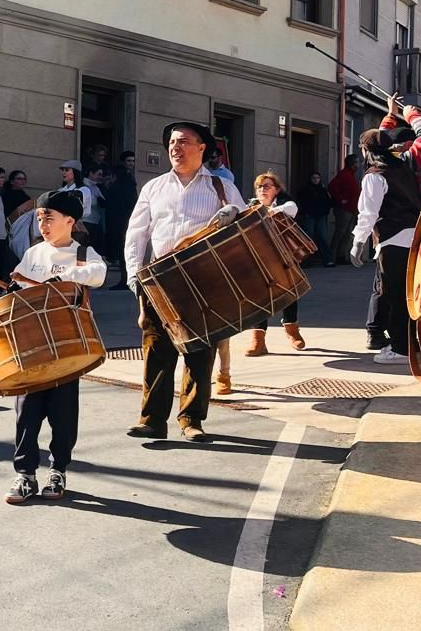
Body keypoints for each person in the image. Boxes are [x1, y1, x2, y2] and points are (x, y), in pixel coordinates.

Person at [123, 121, 242, 443]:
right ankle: (152, 420)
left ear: (202, 148)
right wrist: (135, 276)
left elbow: (244, 231)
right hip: (159, 281)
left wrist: (232, 217)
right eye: (173, 142)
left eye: (184, 142)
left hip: (204, 281)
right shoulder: (154, 188)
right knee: (157, 351)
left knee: (200, 353)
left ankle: (191, 419)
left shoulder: (222, 188)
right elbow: (136, 235)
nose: (176, 147)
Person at [4, 191, 105, 504]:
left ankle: (58, 469)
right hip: (31, 348)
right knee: (26, 413)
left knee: (63, 414)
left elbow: (98, 275)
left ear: (70, 222)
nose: (42, 224)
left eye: (48, 217)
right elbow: (16, 286)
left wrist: (65, 277)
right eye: (39, 218)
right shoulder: (33, 254)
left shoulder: (83, 252)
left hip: (66, 349)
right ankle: (25, 474)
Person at [350, 129, 421, 365]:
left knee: (394, 296)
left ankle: (401, 348)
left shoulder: (374, 175)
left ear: (365, 150)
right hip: (415, 237)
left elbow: (368, 213)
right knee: (409, 295)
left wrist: (358, 242)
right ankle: (411, 343)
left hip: (392, 239)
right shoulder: (403, 168)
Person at [244, 172, 306, 354]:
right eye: (259, 187)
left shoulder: (285, 203)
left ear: (277, 189)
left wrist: (268, 212)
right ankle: (258, 340)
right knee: (260, 297)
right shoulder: (251, 207)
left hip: (283, 256)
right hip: (259, 258)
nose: (262, 189)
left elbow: (292, 209)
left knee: (288, 293)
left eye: (267, 186)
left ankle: (292, 331)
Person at [103, 151, 138, 287]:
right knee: (124, 250)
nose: (131, 164)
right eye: (129, 161)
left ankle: (125, 279)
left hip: (120, 220)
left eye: (132, 161)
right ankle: (125, 279)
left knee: (122, 250)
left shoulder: (123, 180)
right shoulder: (125, 179)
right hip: (123, 219)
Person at [327, 154, 360, 268]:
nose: (358, 164)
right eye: (357, 162)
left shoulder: (351, 175)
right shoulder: (344, 174)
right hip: (344, 209)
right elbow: (332, 186)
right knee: (340, 233)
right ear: (352, 164)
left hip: (351, 209)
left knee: (347, 234)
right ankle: (331, 257)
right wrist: (341, 199)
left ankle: (341, 256)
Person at [296, 171, 334, 265]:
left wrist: (325, 211)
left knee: (322, 237)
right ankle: (305, 260)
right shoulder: (305, 190)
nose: (316, 180)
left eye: (317, 178)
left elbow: (328, 201)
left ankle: (327, 259)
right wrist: (306, 212)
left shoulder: (322, 189)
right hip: (309, 216)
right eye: (314, 178)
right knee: (308, 237)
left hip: (321, 216)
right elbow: (302, 202)